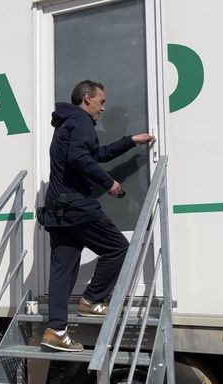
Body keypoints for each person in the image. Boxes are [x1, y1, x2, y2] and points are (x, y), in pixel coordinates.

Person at [40, 80, 154, 352]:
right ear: (88, 98)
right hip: (77, 207)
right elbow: (82, 159)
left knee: (62, 272)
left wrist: (130, 141)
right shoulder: (80, 122)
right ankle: (92, 300)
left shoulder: (69, 124)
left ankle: (56, 330)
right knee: (118, 248)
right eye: (101, 101)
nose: (103, 107)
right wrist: (109, 183)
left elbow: (97, 154)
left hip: (59, 210)